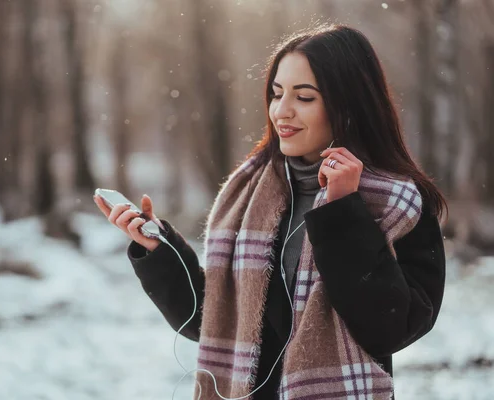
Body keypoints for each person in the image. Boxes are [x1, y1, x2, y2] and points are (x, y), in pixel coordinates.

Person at [94, 24, 446, 400]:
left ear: (349, 104)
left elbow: (390, 329)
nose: (282, 111)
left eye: (305, 97)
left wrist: (345, 210)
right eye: (276, 94)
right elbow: (212, 320)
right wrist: (158, 251)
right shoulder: (246, 192)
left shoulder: (399, 202)